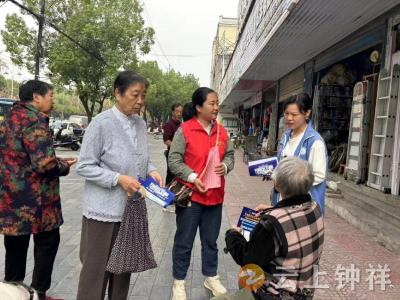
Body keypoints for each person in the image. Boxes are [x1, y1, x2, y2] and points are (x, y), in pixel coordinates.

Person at [75, 70, 163, 300]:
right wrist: (118, 178)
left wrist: (151, 170)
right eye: (135, 95)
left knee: (123, 269)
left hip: (130, 210)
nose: (140, 101)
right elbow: (84, 166)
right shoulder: (101, 124)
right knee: (95, 271)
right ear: (118, 93)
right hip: (102, 212)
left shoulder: (141, 124)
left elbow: (140, 158)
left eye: (143, 95)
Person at [0, 80, 76, 300]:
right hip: (38, 202)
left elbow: (21, 157)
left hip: (11, 199)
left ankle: (13, 293)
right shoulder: (35, 121)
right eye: (51, 96)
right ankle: (38, 293)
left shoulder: (9, 120)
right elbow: (44, 164)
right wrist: (63, 165)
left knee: (15, 248)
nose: (52, 100)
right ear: (36, 97)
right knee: (47, 244)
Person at [224, 157, 324, 300]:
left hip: (274, 294)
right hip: (305, 291)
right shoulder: (314, 207)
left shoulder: (272, 225)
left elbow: (247, 258)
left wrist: (232, 234)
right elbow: (295, 214)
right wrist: (274, 209)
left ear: (277, 184)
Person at [168, 87, 235, 300]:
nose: (216, 107)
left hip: (215, 198)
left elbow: (231, 155)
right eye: (212, 103)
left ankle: (211, 276)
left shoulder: (222, 132)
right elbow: (174, 160)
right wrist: (191, 177)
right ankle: (179, 282)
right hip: (191, 198)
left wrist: (225, 166)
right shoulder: (185, 130)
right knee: (184, 241)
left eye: (217, 103)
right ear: (198, 107)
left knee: (211, 241)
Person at [271, 93, 327, 214]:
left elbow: (318, 175)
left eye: (294, 114)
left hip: (303, 208)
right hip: (283, 201)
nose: (289, 118)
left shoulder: (314, 142)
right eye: (286, 114)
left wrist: (288, 180)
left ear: (307, 113)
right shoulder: (286, 136)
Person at [163, 103, 183, 186]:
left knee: (178, 175)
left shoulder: (182, 124)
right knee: (171, 175)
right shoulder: (169, 124)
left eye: (181, 112)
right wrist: (178, 148)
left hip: (180, 154)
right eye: (177, 111)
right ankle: (167, 192)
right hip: (172, 154)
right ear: (173, 112)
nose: (179, 114)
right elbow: (166, 140)